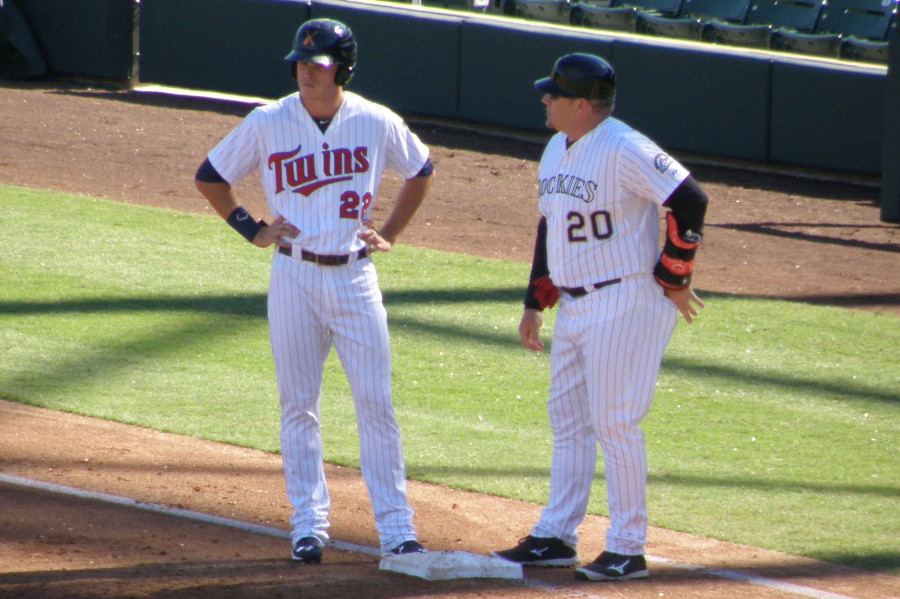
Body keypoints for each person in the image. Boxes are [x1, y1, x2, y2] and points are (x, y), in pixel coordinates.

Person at [194, 18, 434, 563]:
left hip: (354, 275)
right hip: (293, 274)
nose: (305, 72)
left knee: (376, 403)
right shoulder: (269, 120)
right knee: (298, 404)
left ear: (342, 68)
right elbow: (210, 175)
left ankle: (397, 529)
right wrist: (250, 228)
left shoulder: (374, 121)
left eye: (318, 64)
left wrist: (390, 233)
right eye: (301, 63)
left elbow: (422, 170)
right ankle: (308, 524)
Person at [491, 53, 708, 582]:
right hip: (574, 303)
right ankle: (555, 537)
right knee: (568, 421)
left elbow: (691, 200)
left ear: (582, 105)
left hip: (625, 298)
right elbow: (551, 227)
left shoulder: (624, 146)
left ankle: (628, 547)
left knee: (615, 423)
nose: (544, 99)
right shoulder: (555, 147)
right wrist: (532, 302)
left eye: (554, 94)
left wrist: (674, 277)